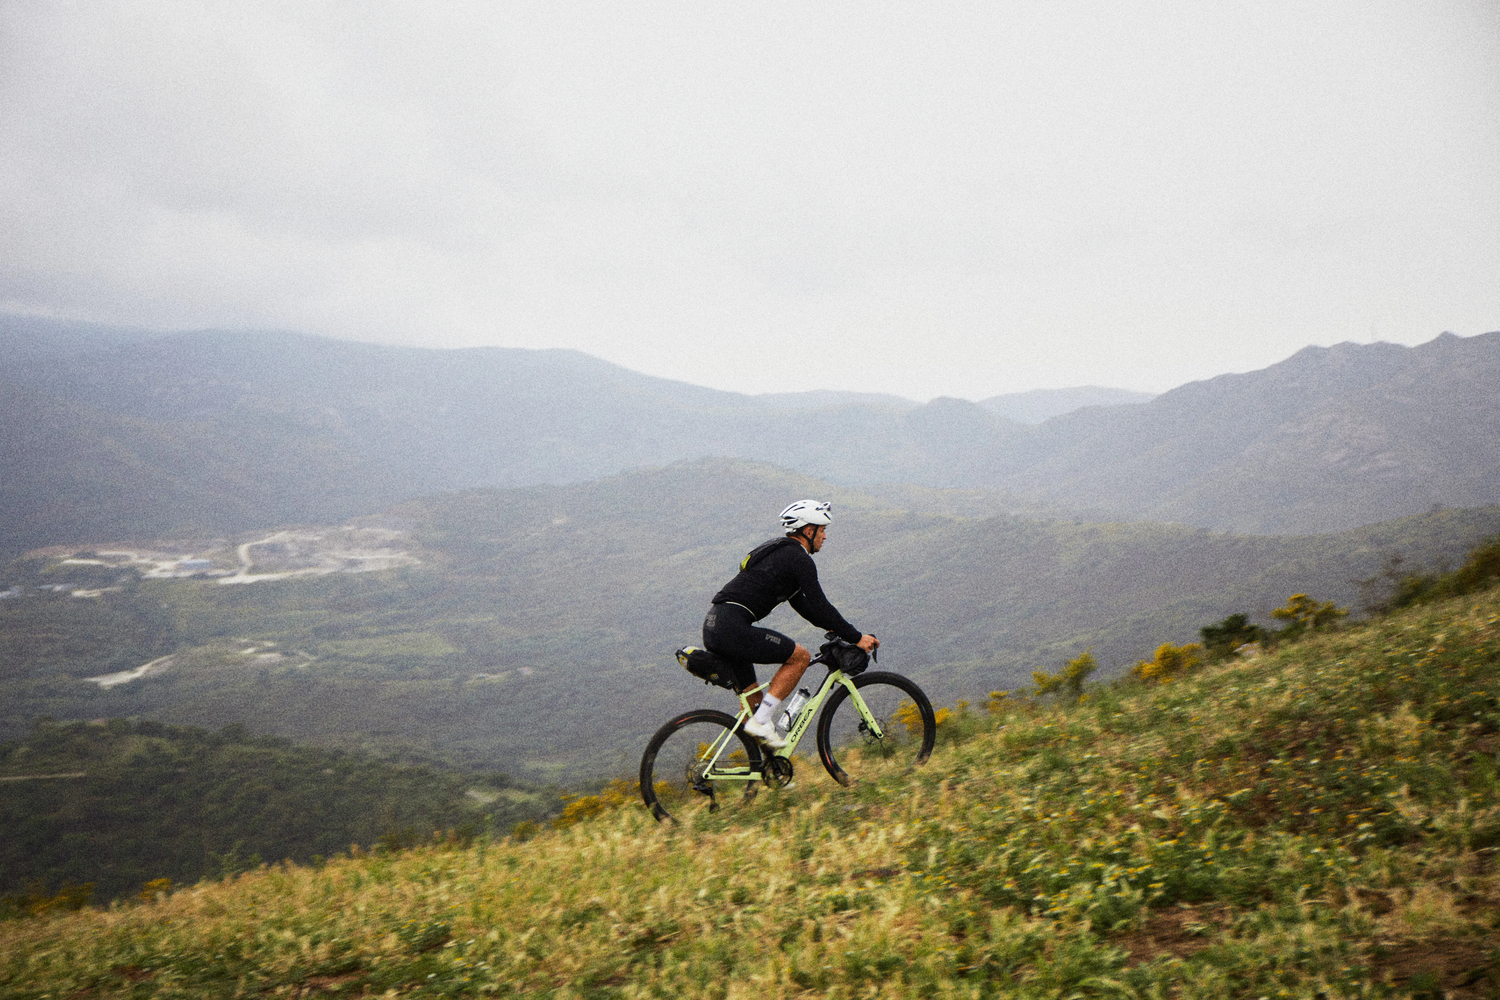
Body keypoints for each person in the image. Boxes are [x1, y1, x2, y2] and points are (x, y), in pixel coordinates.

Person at [702, 500, 879, 749]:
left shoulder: (780, 554)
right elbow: (820, 604)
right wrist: (856, 637)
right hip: (732, 628)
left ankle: (767, 771)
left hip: (716, 625)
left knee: (755, 702)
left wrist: (835, 628)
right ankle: (761, 721)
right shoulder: (799, 559)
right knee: (800, 658)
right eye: (823, 529)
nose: (825, 536)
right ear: (808, 531)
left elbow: (805, 607)